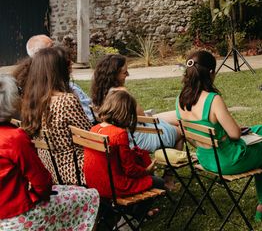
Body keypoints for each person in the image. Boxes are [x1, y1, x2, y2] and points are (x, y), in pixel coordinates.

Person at [177, 50, 262, 222]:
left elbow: (190, 134)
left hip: (206, 159)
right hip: (226, 161)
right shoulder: (212, 99)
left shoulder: (179, 100)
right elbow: (234, 134)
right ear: (211, 73)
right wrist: (233, 130)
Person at [0, 74, 100, 230]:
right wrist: (36, 196)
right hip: (17, 214)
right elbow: (41, 182)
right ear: (10, 101)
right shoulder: (14, 138)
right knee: (90, 196)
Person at [85, 89, 164, 219]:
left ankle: (129, 212)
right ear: (126, 113)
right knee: (158, 182)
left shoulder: (94, 128)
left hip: (94, 185)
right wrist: (146, 171)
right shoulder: (119, 133)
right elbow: (130, 170)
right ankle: (136, 215)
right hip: (115, 186)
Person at [20, 46, 92, 185]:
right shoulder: (65, 100)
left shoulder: (31, 101)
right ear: (59, 71)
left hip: (50, 171)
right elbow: (90, 137)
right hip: (76, 172)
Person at [91, 53, 181, 152]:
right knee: (181, 130)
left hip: (129, 133)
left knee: (177, 117)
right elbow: (143, 117)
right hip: (137, 139)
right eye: (125, 72)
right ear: (114, 74)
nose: (128, 75)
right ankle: (175, 160)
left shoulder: (99, 94)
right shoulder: (121, 93)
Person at [14, 35, 94, 122]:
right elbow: (88, 121)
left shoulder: (25, 86)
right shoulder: (66, 95)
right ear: (46, 57)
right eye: (52, 47)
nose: (56, 50)